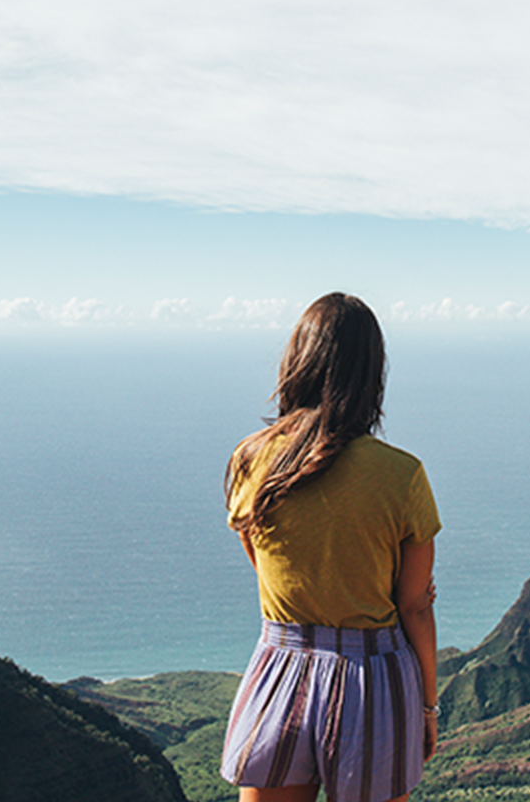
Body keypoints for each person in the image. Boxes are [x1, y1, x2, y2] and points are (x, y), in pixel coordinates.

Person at [220, 292, 441, 802]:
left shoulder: (251, 462)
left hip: (280, 672)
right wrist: (428, 707)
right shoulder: (401, 476)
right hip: (376, 683)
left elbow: (265, 569)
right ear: (372, 374)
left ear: (297, 362)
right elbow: (414, 607)